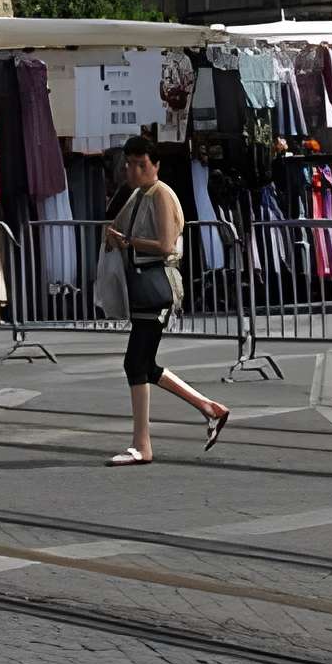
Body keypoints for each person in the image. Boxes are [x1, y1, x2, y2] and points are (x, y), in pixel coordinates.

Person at [101, 137, 232, 464]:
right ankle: (209, 408)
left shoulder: (161, 194)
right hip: (145, 287)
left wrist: (126, 242)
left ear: (155, 165)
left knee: (136, 362)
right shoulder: (137, 195)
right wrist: (115, 238)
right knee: (143, 363)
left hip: (159, 285)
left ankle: (142, 444)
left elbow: (165, 244)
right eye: (129, 164)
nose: (133, 170)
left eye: (140, 164)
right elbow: (116, 229)